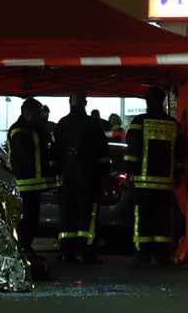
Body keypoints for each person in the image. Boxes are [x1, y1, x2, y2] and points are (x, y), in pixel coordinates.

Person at [124, 86, 185, 267]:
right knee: (163, 221)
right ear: (163, 101)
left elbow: (132, 151)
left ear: (147, 101)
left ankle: (142, 256)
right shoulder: (173, 124)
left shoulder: (139, 122)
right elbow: (181, 154)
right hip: (165, 184)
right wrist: (177, 176)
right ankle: (162, 256)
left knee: (142, 219)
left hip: (143, 184)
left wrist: (129, 172)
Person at [54, 90, 110, 264]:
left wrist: (57, 174)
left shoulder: (62, 124)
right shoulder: (93, 124)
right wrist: (104, 175)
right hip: (88, 173)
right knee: (88, 212)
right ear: (85, 103)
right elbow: (103, 153)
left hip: (68, 174)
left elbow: (54, 153)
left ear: (69, 102)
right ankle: (87, 251)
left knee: (67, 211)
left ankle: (67, 252)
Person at [7, 97, 56, 256]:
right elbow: (28, 153)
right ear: (27, 113)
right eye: (37, 112)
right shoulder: (20, 131)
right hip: (25, 183)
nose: (40, 116)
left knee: (31, 219)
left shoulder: (32, 128)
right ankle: (23, 248)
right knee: (26, 219)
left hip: (33, 184)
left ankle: (25, 247)